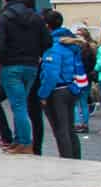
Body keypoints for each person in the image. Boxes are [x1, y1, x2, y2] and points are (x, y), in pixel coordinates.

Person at [0, 0, 48, 153]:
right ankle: (19, 140)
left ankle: (24, 142)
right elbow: (47, 40)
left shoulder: (4, 18)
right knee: (21, 104)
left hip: (12, 65)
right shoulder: (35, 17)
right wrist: (36, 54)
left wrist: (3, 59)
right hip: (31, 65)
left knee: (18, 105)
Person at [35, 12, 86, 159]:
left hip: (57, 90)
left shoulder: (53, 46)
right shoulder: (68, 42)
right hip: (71, 87)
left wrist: (43, 94)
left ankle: (67, 160)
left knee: (60, 129)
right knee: (69, 128)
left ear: (46, 26)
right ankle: (76, 158)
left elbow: (51, 74)